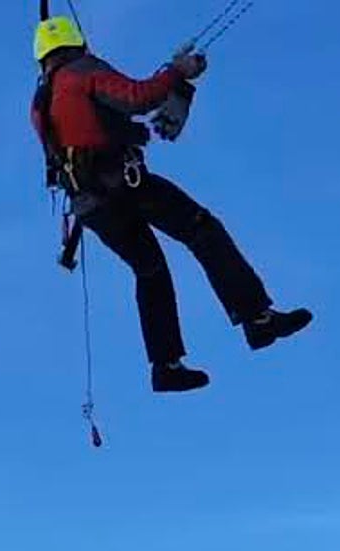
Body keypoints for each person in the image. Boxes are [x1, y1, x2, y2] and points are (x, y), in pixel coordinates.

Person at [31, 17, 313, 392]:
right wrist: (178, 73)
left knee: (149, 271)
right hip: (126, 185)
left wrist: (170, 78)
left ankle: (166, 367)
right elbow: (137, 97)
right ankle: (258, 319)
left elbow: (87, 128)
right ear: (76, 44)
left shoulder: (42, 100)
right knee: (201, 229)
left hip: (92, 207)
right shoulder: (83, 72)